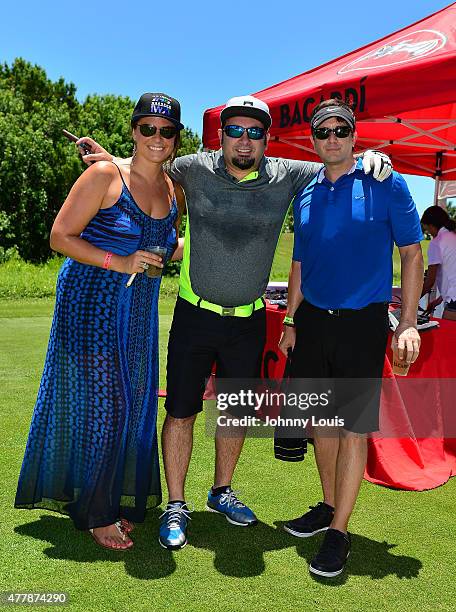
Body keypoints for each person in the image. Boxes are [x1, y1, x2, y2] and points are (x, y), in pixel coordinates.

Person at [78, 96, 392, 551]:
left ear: (267, 138)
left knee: (236, 413)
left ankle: (221, 491)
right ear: (220, 135)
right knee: (181, 411)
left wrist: (368, 155)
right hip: (195, 313)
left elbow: (333, 159)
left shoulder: (288, 174)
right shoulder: (193, 167)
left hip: (248, 321)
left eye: (255, 132)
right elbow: (148, 163)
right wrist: (111, 159)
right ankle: (177, 504)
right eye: (235, 131)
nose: (244, 141)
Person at [15, 93, 185, 551]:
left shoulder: (175, 189)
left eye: (166, 131)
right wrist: (119, 260)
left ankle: (115, 497)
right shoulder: (105, 175)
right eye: (147, 128)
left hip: (140, 308)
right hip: (91, 302)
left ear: (176, 138)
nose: (156, 137)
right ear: (133, 130)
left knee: (135, 403)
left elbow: (165, 245)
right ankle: (96, 511)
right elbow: (59, 236)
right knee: (106, 405)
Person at [279, 98, 423, 577]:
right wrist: (291, 320)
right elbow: (300, 264)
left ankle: (339, 532)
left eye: (342, 129)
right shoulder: (306, 194)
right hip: (315, 320)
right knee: (321, 424)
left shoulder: (386, 182)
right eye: (324, 132)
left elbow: (411, 254)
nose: (333, 138)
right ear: (314, 140)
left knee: (352, 427)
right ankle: (327, 505)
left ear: (354, 134)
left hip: (363, 322)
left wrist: (407, 323)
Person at [421, 205, 456, 320]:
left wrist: (412, 301)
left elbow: (430, 280)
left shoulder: (437, 242)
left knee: (449, 336)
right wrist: (437, 301)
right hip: (453, 297)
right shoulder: (452, 236)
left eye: (428, 230)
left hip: (454, 302)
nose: (429, 233)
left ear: (432, 225)